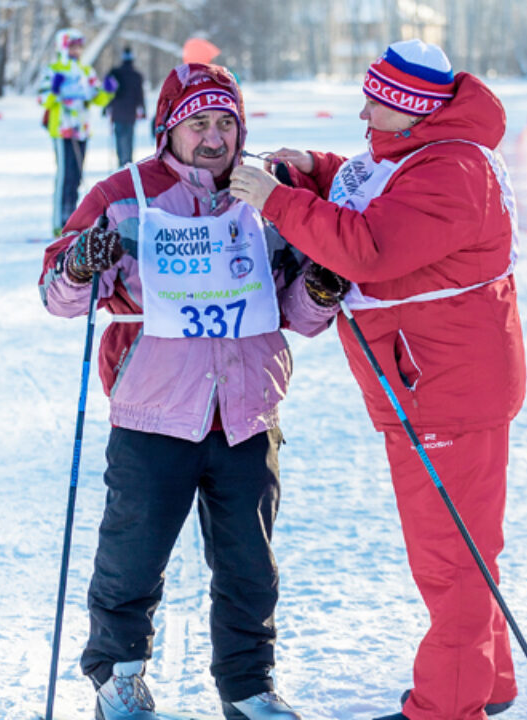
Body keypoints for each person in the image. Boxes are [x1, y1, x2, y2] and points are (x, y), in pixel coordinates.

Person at [229, 39, 525, 720]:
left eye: (377, 101)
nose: (363, 111)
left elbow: (369, 245)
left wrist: (276, 201)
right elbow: (379, 188)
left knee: (450, 560)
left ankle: (449, 706)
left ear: (413, 111)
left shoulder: (456, 174)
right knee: (465, 549)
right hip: (430, 384)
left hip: (445, 391)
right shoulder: (428, 151)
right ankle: (488, 680)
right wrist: (315, 169)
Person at [38, 62, 344, 720]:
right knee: (132, 556)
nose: (214, 138)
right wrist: (80, 262)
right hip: (154, 409)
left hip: (246, 411)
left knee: (249, 567)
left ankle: (249, 686)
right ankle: (118, 678)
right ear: (167, 130)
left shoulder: (268, 195)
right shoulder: (126, 195)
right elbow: (57, 294)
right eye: (198, 123)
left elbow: (294, 310)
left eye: (225, 123)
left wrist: (320, 289)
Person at [38, 28, 116, 233]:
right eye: (72, 46)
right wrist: (54, 91)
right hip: (62, 130)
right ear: (63, 47)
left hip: (81, 129)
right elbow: (42, 99)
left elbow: (96, 98)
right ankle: (59, 223)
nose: (77, 50)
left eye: (79, 46)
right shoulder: (54, 69)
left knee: (77, 177)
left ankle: (73, 220)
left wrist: (107, 91)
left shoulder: (85, 70)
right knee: (65, 176)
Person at [105, 47, 146, 167]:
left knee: (119, 137)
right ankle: (127, 163)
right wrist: (143, 109)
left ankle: (121, 163)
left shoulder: (115, 73)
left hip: (117, 112)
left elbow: (109, 92)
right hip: (130, 113)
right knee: (128, 138)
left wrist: (106, 107)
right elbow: (140, 95)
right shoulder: (136, 75)